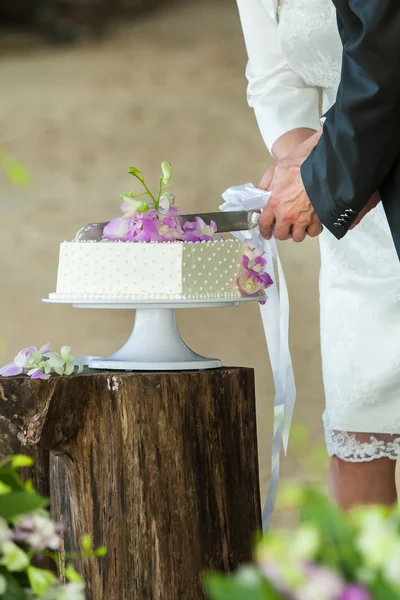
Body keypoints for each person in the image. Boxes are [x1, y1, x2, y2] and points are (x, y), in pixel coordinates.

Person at [236, 0, 400, 509]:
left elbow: (384, 50)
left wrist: (331, 172)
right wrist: (298, 164)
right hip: (350, 210)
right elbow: (273, 78)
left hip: (358, 159)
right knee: (359, 422)